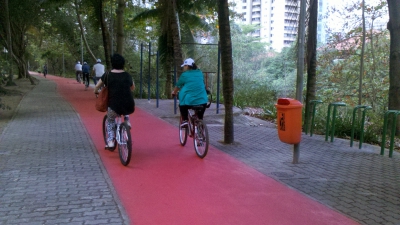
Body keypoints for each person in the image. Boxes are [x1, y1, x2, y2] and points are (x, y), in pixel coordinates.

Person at [94, 53, 135, 149]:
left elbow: (97, 86)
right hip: (129, 105)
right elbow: (132, 88)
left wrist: (96, 92)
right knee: (125, 104)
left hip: (114, 106)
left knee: (110, 120)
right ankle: (127, 120)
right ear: (123, 63)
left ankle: (111, 141)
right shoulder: (127, 75)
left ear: (112, 63)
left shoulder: (107, 75)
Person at [171, 58, 208, 127]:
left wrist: (174, 92)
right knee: (200, 117)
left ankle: (185, 120)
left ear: (187, 66)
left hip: (189, 101)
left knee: (182, 105)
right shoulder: (200, 73)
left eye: (184, 66)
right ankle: (201, 127)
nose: (184, 68)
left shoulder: (184, 75)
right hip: (203, 100)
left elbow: (178, 86)